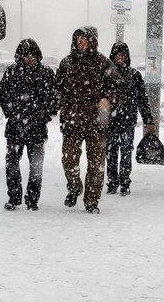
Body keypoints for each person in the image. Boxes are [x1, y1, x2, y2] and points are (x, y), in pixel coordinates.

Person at [56, 26, 122, 214]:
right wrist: (62, 103)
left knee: (96, 164)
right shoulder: (66, 63)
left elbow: (118, 85)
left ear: (92, 41)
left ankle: (92, 200)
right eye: (79, 39)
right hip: (72, 121)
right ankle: (75, 187)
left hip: (96, 122)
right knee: (69, 161)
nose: (81, 42)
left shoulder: (103, 63)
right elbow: (57, 88)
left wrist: (108, 99)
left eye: (85, 39)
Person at [0, 38, 58, 211]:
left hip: (37, 129)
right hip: (15, 128)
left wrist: (44, 117)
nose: (30, 58)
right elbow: (2, 94)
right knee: (12, 165)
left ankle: (32, 199)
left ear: (37, 56)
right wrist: (12, 113)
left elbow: (54, 100)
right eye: (26, 55)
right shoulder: (11, 72)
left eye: (32, 55)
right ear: (20, 56)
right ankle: (14, 197)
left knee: (36, 166)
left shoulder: (46, 74)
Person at [106, 42, 156, 196]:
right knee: (111, 153)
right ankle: (113, 181)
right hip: (110, 122)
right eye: (117, 55)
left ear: (127, 57)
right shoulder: (106, 75)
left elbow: (142, 99)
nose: (120, 58)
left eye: (123, 55)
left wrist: (148, 120)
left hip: (127, 122)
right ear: (112, 57)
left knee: (126, 152)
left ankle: (125, 181)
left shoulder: (134, 76)